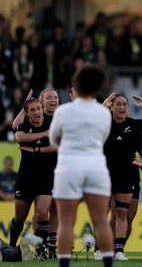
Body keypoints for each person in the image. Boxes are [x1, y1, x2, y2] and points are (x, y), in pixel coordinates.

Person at [48, 65, 114, 267]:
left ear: (75, 85)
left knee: (66, 221)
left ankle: (64, 265)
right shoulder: (103, 113)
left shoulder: (63, 111)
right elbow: (102, 139)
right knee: (101, 221)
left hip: (68, 167)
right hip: (96, 168)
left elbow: (53, 141)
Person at [99, 93, 142, 260]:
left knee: (123, 213)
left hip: (128, 175)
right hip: (104, 175)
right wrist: (103, 104)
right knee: (103, 212)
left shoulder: (133, 126)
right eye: (118, 104)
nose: (121, 107)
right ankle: (100, 249)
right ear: (111, 107)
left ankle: (118, 250)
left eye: (124, 104)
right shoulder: (103, 123)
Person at [12, 87, 60, 259]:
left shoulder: (59, 120)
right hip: (31, 174)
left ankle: (49, 246)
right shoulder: (32, 121)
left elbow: (59, 145)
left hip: (54, 171)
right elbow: (17, 131)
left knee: (50, 209)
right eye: (49, 98)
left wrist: (34, 150)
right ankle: (31, 246)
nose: (53, 100)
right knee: (30, 214)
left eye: (55, 97)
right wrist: (25, 105)